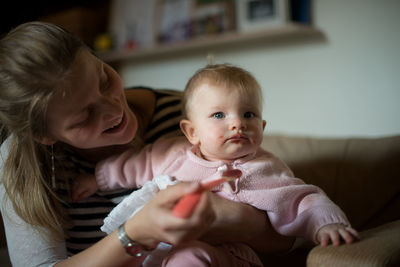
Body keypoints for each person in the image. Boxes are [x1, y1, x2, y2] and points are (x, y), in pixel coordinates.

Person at [0, 22, 294, 267]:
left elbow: (284, 238)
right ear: (45, 135)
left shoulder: (194, 116)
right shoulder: (21, 162)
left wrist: (226, 215)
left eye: (104, 80)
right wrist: (134, 233)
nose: (115, 110)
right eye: (85, 116)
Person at [73, 64, 359, 266]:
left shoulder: (263, 169)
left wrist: (326, 224)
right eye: (219, 114)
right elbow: (135, 165)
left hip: (229, 256)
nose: (237, 123)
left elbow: (302, 200)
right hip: (162, 250)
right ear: (191, 132)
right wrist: (98, 179)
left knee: (190, 258)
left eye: (248, 114)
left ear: (262, 126)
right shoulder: (172, 153)